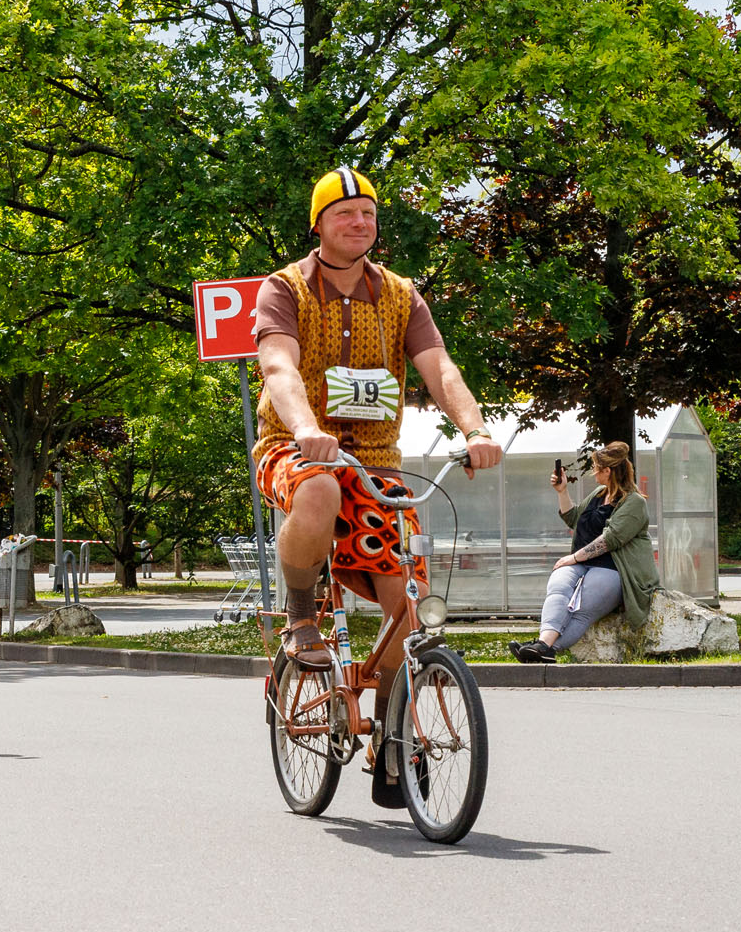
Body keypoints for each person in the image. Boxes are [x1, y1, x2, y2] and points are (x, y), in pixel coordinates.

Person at [253, 167, 502, 789]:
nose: (358, 223)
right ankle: (301, 612)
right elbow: (279, 367)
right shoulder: (284, 289)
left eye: (367, 213)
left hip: (377, 465)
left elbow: (438, 368)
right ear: (319, 223)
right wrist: (308, 427)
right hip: (295, 445)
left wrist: (474, 430)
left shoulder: (400, 294)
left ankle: (391, 742)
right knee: (318, 485)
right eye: (344, 214)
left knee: (406, 616)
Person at [512, 441, 661, 662]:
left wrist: (572, 558)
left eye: (596, 468)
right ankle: (542, 645)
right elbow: (573, 518)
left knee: (581, 609)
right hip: (583, 564)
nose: (593, 472)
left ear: (608, 471)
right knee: (558, 589)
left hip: (613, 569)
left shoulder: (634, 502)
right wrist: (562, 491)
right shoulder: (599, 493)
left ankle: (545, 648)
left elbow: (610, 540)